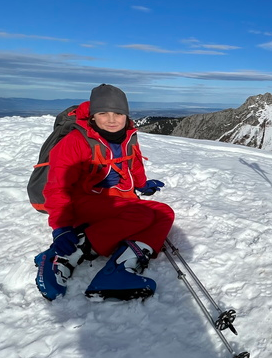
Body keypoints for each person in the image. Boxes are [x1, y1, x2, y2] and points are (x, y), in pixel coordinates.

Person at [34, 84, 175, 301]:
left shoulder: (128, 136)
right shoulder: (75, 141)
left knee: (164, 212)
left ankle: (120, 270)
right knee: (142, 215)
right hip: (82, 200)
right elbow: (57, 187)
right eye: (103, 113)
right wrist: (61, 227)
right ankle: (64, 256)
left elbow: (134, 163)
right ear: (92, 116)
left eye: (118, 113)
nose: (111, 119)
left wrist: (142, 184)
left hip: (113, 198)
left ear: (126, 115)